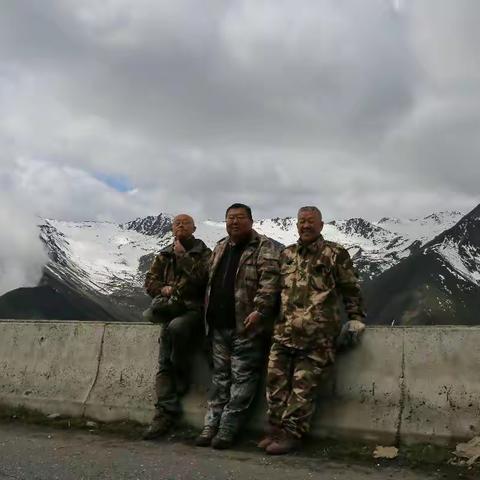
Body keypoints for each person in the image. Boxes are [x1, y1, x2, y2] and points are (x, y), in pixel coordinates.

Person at [259, 206, 366, 455]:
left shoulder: (335, 253)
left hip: (318, 336)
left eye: (310, 221)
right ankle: (275, 430)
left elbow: (351, 288)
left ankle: (292, 435)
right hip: (284, 333)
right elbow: (275, 292)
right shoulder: (286, 254)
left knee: (303, 388)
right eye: (301, 222)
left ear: (320, 224)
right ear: (296, 225)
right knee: (275, 385)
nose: (305, 226)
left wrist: (356, 318)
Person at [195, 203, 280, 449]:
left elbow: (270, 282)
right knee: (220, 379)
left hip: (247, 327)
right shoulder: (220, 247)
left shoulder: (264, 247)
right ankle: (210, 426)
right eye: (230, 218)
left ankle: (227, 430)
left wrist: (260, 310)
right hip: (218, 327)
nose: (234, 222)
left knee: (242, 380)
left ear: (251, 221)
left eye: (240, 217)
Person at [143, 214, 211, 439]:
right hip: (170, 310)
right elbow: (150, 282)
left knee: (176, 329)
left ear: (194, 227)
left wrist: (183, 258)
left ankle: (182, 372)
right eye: (177, 223)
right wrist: (162, 290)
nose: (180, 225)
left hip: (193, 311)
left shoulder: (205, 253)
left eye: (186, 222)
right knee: (164, 362)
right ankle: (164, 413)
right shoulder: (164, 254)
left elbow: (204, 279)